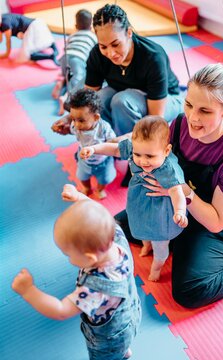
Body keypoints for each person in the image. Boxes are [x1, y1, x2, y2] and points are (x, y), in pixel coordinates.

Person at [115, 63, 223, 308]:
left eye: (205, 111)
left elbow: (216, 221)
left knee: (190, 290)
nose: (193, 118)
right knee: (116, 228)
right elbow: (148, 149)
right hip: (180, 204)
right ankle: (177, 240)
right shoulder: (179, 124)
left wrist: (181, 191)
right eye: (188, 104)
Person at [53, 3, 183, 186]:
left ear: (129, 33)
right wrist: (70, 118)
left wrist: (126, 139)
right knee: (101, 99)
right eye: (103, 46)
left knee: (121, 102)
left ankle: (131, 157)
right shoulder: (97, 55)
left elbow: (156, 118)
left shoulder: (153, 56)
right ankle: (105, 149)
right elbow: (88, 98)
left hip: (167, 99)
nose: (110, 53)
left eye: (116, 44)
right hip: (125, 93)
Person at [12, 189, 141, 360]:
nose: (68, 259)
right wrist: (80, 198)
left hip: (108, 338)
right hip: (130, 313)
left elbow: (61, 310)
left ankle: (117, 353)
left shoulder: (95, 290)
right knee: (121, 343)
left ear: (89, 258)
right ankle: (122, 351)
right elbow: (101, 216)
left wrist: (28, 291)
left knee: (107, 354)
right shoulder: (115, 236)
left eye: (68, 255)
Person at [80, 116, 188, 281]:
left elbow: (177, 192)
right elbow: (115, 149)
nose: (142, 161)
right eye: (137, 154)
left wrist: (180, 211)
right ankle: (146, 245)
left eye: (150, 157)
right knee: (139, 226)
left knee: (160, 242)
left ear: (166, 151)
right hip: (139, 202)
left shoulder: (169, 169)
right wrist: (95, 149)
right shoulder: (136, 148)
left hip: (161, 211)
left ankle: (157, 268)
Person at [51, 88, 116, 199]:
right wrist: (62, 130)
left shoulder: (104, 128)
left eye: (81, 120)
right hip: (84, 160)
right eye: (73, 119)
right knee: (82, 177)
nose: (76, 125)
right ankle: (87, 188)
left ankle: (100, 190)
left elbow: (113, 142)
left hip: (103, 161)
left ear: (96, 117)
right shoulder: (76, 126)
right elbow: (70, 130)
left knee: (104, 179)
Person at [51, 9, 97, 115]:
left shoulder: (72, 35)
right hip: (79, 58)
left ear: (76, 25)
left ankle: (61, 82)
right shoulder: (92, 36)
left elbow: (66, 47)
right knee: (80, 78)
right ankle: (66, 97)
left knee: (68, 75)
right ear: (91, 26)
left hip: (65, 58)